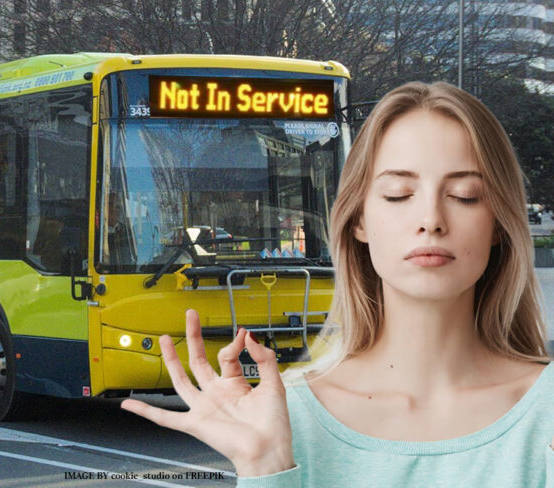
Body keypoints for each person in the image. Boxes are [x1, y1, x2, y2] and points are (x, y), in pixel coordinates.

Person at [121, 81, 554, 486]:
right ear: (359, 220)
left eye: (464, 195)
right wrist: (266, 468)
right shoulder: (283, 417)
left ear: (499, 221)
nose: (431, 221)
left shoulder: (547, 413)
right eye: (399, 194)